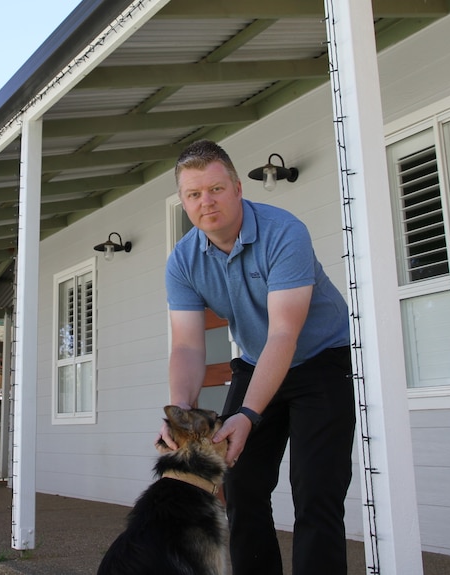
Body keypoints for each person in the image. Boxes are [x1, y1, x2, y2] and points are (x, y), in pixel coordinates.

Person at [159, 139, 356, 575]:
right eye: (194, 194)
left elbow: (285, 331)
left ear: (237, 189)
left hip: (322, 359)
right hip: (255, 360)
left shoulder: (284, 232)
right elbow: (188, 345)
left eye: (215, 189)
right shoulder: (183, 260)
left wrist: (247, 415)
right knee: (241, 486)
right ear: (184, 202)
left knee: (316, 491)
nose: (205, 202)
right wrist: (180, 413)